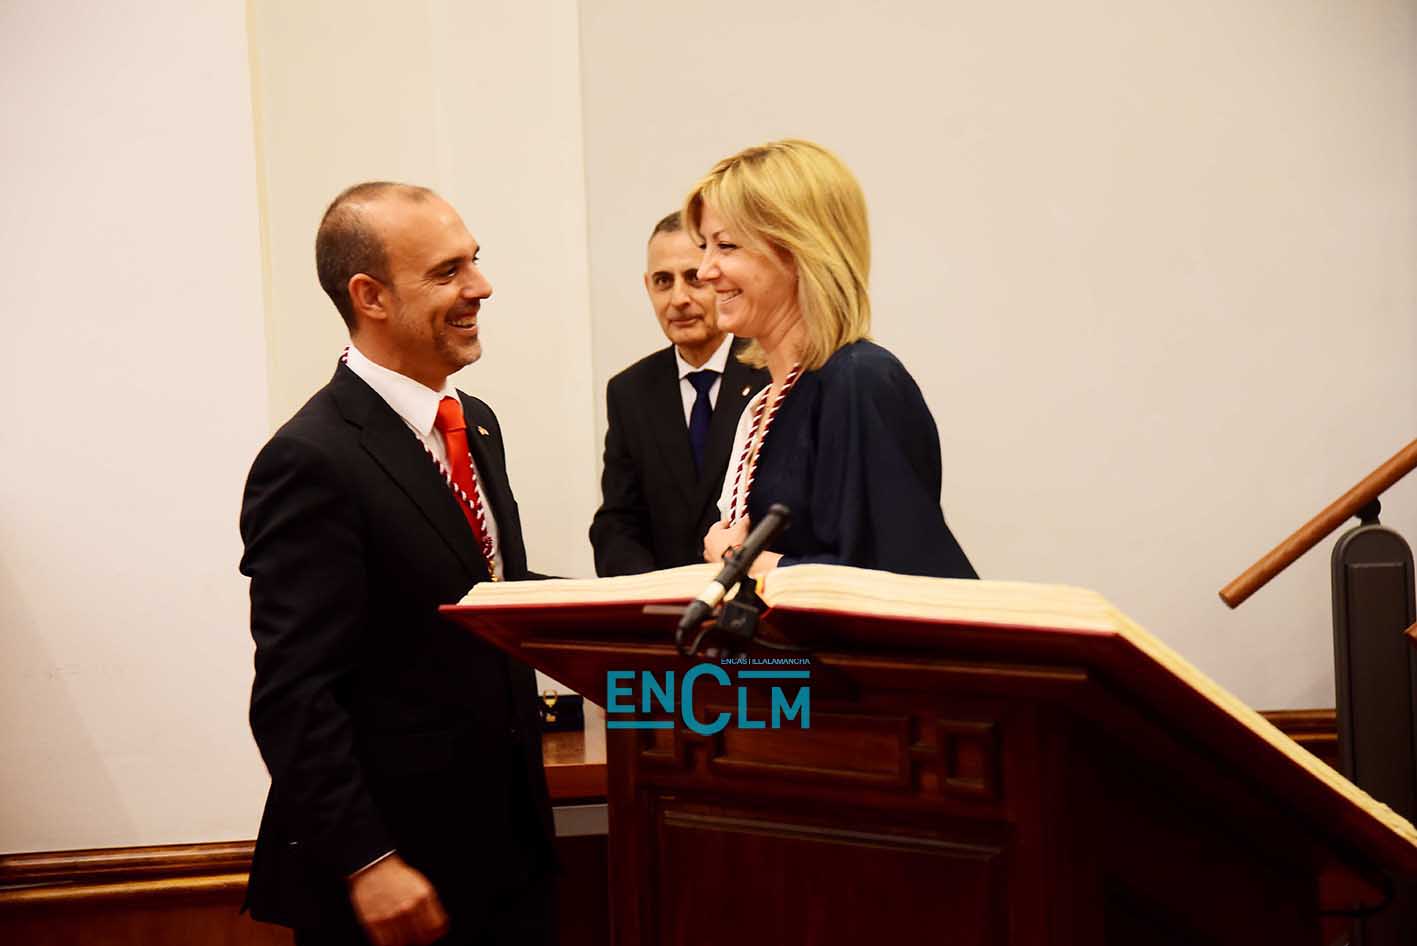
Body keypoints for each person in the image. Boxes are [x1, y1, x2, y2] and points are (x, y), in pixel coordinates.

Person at [239, 182, 556, 946]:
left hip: (505, 856)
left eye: (473, 261)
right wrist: (367, 860)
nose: (480, 286)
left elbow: (487, 595)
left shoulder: (473, 422)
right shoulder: (310, 459)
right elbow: (294, 694)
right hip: (392, 882)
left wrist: (652, 606)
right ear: (369, 296)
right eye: (447, 272)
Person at [685, 140, 977, 580]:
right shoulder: (764, 401)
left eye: (726, 247)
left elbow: (898, 579)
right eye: (704, 246)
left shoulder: (861, 380)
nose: (705, 271)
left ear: (798, 250)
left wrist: (742, 564)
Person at [589, 211, 768, 576]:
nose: (678, 298)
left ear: (719, 279)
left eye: (693, 278)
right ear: (647, 287)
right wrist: (649, 592)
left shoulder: (770, 373)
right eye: (663, 281)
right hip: (665, 616)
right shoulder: (630, 391)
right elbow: (617, 523)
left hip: (756, 604)